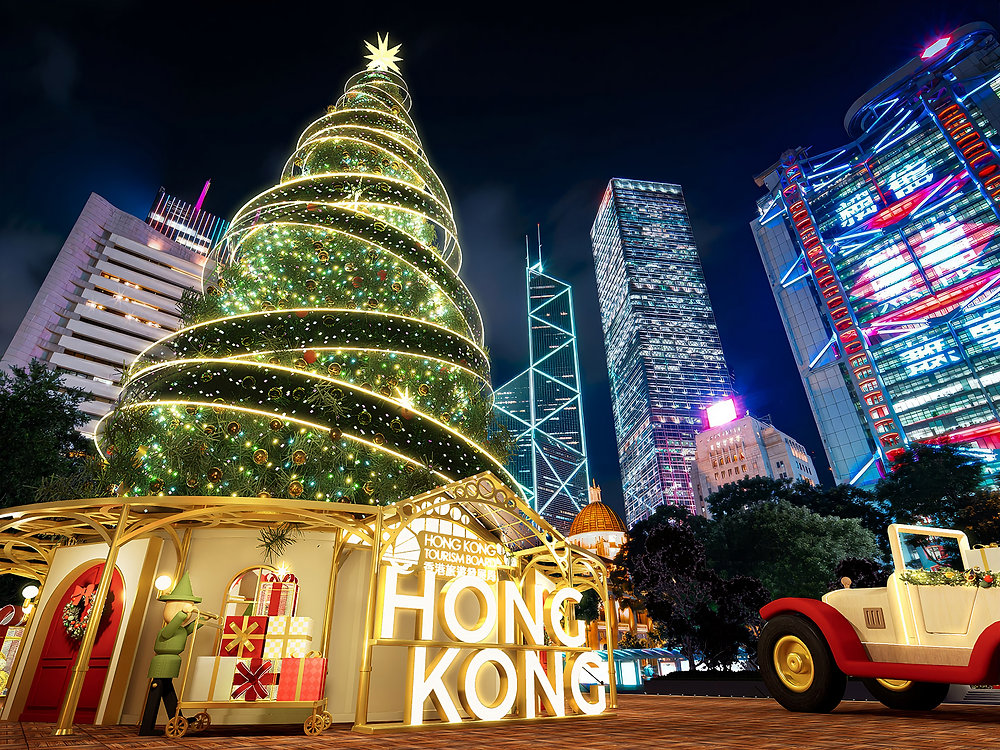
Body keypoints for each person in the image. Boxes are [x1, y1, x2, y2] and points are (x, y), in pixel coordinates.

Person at [139, 573, 206, 736]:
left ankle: (177, 719)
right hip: (161, 663)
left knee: (168, 693)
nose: (184, 614)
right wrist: (182, 613)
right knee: (156, 692)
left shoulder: (181, 630)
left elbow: (190, 629)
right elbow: (173, 627)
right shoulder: (167, 630)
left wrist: (202, 620)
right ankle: (147, 727)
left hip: (172, 664)